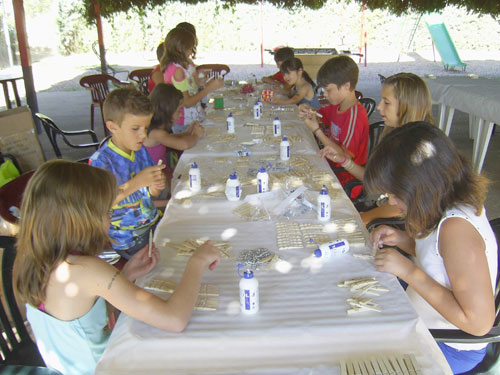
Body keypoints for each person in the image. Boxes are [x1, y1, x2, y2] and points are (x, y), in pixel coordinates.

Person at [13, 159, 221, 375]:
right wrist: (197, 262)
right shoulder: (86, 269)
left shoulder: (28, 258)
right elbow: (174, 319)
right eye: (107, 213)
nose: (110, 221)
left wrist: (126, 274)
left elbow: (80, 316)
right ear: (82, 219)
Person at [367, 122, 497, 375]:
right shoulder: (443, 205)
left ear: (420, 186)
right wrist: (402, 239)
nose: (391, 202)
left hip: (449, 345)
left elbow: (479, 324)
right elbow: (439, 257)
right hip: (425, 318)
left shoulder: (456, 229)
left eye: (394, 194)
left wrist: (408, 271)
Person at [318, 73, 434, 223]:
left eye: (386, 102)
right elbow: (373, 179)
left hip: (406, 222)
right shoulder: (396, 136)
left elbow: (404, 205)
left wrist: (366, 217)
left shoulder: (419, 150)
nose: (379, 107)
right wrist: (344, 160)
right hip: (387, 209)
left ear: (407, 105)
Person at [89, 87, 166, 259]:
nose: (143, 135)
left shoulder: (140, 150)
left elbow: (150, 194)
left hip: (152, 223)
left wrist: (155, 185)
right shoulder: (100, 162)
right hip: (128, 239)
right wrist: (137, 182)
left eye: (146, 127)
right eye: (135, 128)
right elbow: (99, 204)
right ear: (112, 126)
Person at [298, 54, 369, 193]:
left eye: (328, 90)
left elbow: (344, 157)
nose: (325, 94)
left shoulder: (356, 116)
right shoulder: (337, 105)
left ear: (346, 86)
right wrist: (307, 110)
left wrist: (317, 131)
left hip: (344, 180)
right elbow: (320, 115)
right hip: (329, 166)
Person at [161, 27, 223, 133]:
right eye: (190, 48)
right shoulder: (177, 71)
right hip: (184, 122)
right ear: (181, 48)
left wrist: (201, 83)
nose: (191, 51)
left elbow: (190, 87)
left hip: (192, 117)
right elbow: (187, 102)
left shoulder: (181, 65)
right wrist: (208, 89)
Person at [145, 83, 205, 165]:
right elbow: (184, 145)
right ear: (167, 111)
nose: (180, 114)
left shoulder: (157, 130)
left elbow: (167, 138)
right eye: (179, 111)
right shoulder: (155, 133)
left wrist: (186, 133)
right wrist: (196, 136)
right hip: (156, 175)